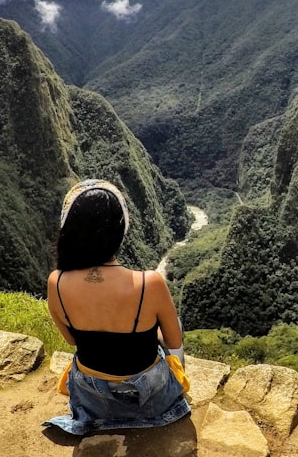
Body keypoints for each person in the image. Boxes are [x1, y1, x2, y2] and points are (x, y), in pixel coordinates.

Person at [43, 179, 190, 435]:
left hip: (92, 399)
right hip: (150, 400)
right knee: (174, 325)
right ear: (121, 231)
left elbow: (70, 340)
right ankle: (173, 397)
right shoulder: (149, 283)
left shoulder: (56, 282)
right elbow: (174, 340)